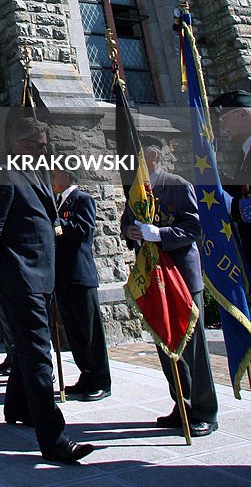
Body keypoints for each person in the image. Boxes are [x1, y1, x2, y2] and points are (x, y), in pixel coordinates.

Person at [0, 114, 93, 464]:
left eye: (46, 146)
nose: (45, 151)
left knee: (29, 348)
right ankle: (55, 440)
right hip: (19, 276)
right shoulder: (3, 174)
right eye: (38, 146)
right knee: (40, 354)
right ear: (18, 144)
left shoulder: (37, 173)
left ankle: (17, 406)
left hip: (43, 275)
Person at [121, 135, 218, 437]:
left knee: (192, 347)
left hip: (181, 276)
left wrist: (160, 234)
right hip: (154, 277)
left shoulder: (177, 185)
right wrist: (131, 231)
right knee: (166, 345)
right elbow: (126, 221)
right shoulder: (137, 189)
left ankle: (205, 411)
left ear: (152, 156)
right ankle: (182, 404)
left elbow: (194, 227)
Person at [51, 169, 111, 401]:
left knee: (90, 332)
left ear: (66, 177)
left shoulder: (82, 199)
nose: (51, 179)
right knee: (74, 332)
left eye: (55, 174)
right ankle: (86, 374)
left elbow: (84, 230)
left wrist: (59, 224)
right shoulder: (57, 202)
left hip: (80, 275)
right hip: (62, 277)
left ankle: (101, 380)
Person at [211, 89, 251, 267]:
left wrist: (232, 205)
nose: (222, 127)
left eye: (225, 119)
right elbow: (242, 190)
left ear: (242, 114)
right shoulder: (244, 151)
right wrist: (216, 174)